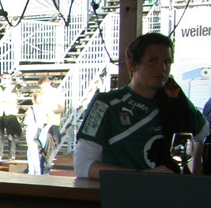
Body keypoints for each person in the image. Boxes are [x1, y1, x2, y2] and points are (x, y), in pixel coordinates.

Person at [75, 32, 209, 178]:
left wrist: (197, 173)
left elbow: (202, 133)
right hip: (123, 190)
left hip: (171, 190)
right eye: (153, 61)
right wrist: (141, 176)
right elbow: (82, 165)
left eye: (167, 62)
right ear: (132, 64)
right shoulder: (106, 104)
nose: (162, 68)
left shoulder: (176, 100)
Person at [0, 71, 20, 161]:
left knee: (10, 136)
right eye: (4, 78)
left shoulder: (13, 88)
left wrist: (2, 99)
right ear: (1, 78)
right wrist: (4, 99)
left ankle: (12, 155)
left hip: (10, 114)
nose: (6, 80)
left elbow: (12, 100)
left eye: (8, 78)